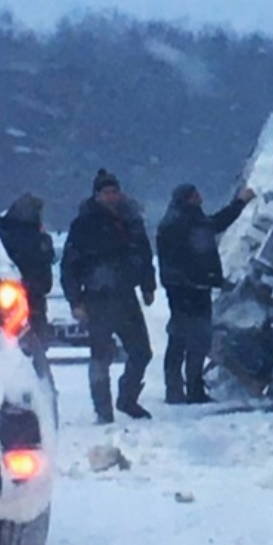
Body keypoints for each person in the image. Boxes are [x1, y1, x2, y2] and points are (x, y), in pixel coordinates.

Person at [61, 169, 156, 423]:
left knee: (142, 352)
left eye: (115, 192)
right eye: (107, 193)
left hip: (125, 295)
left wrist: (148, 285)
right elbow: (70, 264)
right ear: (97, 195)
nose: (112, 197)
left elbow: (144, 254)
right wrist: (75, 301)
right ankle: (103, 410)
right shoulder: (85, 223)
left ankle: (128, 398)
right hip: (97, 298)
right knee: (100, 356)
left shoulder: (131, 219)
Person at [156, 183, 255, 404]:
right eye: (195, 194)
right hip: (189, 290)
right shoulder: (183, 222)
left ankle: (181, 388)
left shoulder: (182, 218)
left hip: (186, 288)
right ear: (188, 198)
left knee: (184, 338)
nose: (200, 196)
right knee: (193, 338)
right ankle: (189, 389)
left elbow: (212, 226)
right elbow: (214, 226)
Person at [0, 193, 55, 340]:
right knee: (35, 339)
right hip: (30, 291)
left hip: (18, 291)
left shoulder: (3, 232)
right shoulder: (35, 237)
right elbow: (44, 259)